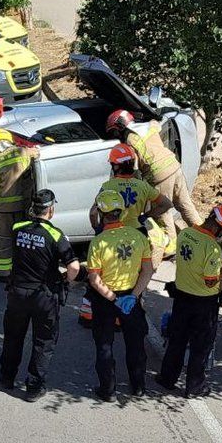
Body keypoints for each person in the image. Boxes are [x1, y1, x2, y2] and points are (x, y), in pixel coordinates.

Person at [0, 189, 81, 401]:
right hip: (43, 296)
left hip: (17, 292)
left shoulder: (17, 228)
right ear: (51, 210)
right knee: (43, 342)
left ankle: (6, 377)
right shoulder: (55, 234)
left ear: (32, 208)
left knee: (13, 336)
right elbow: (74, 267)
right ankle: (34, 387)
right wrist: (66, 281)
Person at [156, 204, 222, 398]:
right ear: (219, 227)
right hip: (204, 303)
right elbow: (210, 282)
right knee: (200, 346)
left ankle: (167, 378)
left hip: (181, 297)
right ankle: (194, 387)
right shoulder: (212, 249)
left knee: (177, 340)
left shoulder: (185, 234)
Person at [85, 188, 158, 400]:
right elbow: (147, 271)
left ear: (101, 213)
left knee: (104, 344)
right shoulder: (138, 237)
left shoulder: (98, 242)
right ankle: (138, 386)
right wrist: (133, 296)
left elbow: (94, 279)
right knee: (135, 343)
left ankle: (107, 390)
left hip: (105, 299)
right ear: (122, 212)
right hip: (131, 297)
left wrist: (114, 299)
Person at [105, 110, 201, 252]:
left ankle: (170, 248)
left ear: (120, 126)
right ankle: (204, 237)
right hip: (174, 165)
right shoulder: (148, 125)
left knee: (163, 214)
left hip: (159, 174)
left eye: (114, 132)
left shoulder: (130, 140)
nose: (116, 136)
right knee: (185, 204)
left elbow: (133, 169)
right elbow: (157, 123)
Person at [91, 143, 173, 263]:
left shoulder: (107, 186)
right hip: (138, 231)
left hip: (112, 233)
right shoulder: (143, 186)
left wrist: (97, 228)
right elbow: (166, 204)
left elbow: (93, 213)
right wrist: (146, 216)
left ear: (116, 166)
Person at [0, 129, 35, 280]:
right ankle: (22, 270)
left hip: (2, 208)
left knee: (3, 239)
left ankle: (2, 272)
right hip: (22, 205)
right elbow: (37, 155)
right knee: (23, 239)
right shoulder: (23, 152)